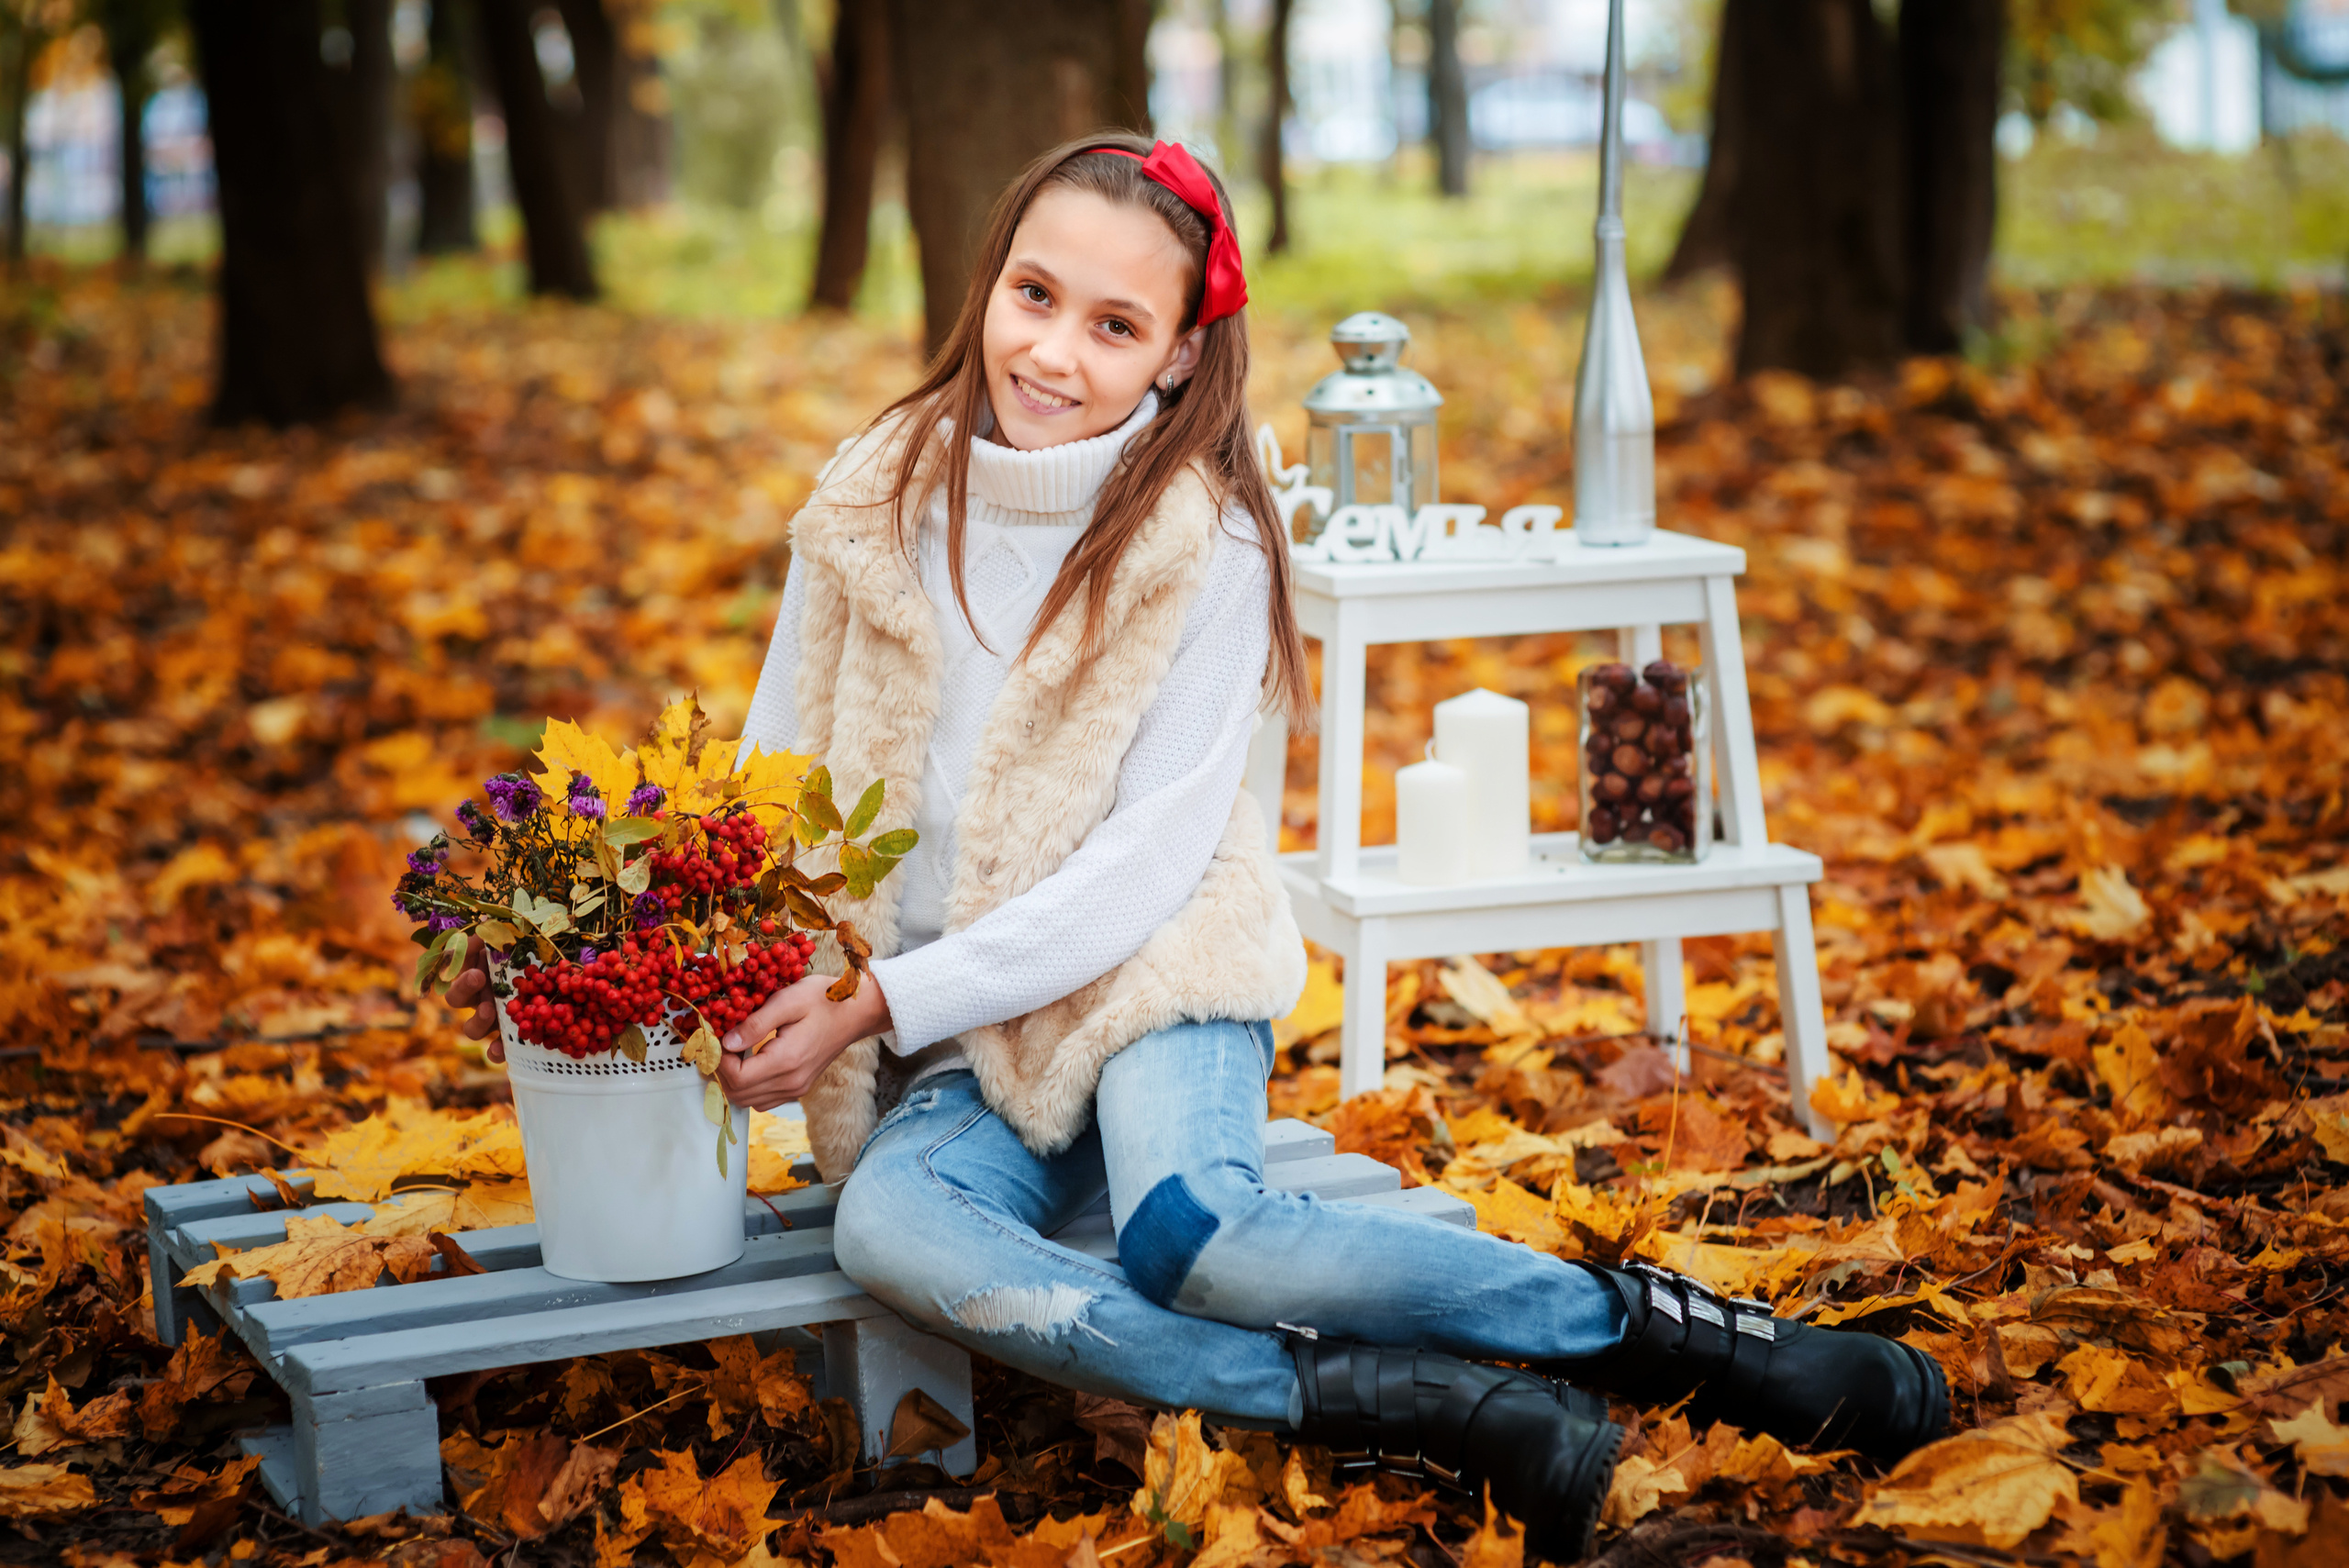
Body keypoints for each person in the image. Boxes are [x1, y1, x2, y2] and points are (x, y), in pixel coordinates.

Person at [445, 134, 1946, 1560]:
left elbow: (1150, 861)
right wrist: (738, 962)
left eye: (1113, 324)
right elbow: (770, 775)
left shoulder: (1205, 543)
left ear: (1175, 352)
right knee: (890, 1225)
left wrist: (889, 999)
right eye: (1034, 296)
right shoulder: (868, 503)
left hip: (1149, 969)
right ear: (988, 281)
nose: (1052, 352)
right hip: (953, 1026)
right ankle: (1374, 1399)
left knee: (1192, 1229)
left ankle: (1649, 1332)